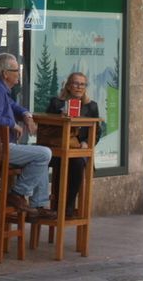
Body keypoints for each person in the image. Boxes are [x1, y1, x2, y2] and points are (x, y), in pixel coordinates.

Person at [0, 53, 55, 219]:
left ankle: (38, 205)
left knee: (41, 159)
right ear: (5, 74)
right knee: (44, 154)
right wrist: (13, 124)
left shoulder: (0, 89)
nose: (19, 73)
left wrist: (27, 117)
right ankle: (17, 194)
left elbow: (15, 107)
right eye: (16, 69)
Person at [46, 71, 100, 216]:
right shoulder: (56, 103)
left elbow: (96, 132)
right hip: (59, 147)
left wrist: (85, 142)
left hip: (79, 150)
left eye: (82, 84)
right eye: (76, 83)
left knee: (76, 162)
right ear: (69, 86)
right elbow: (47, 127)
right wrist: (59, 117)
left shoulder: (91, 106)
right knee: (58, 163)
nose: (79, 87)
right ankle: (52, 205)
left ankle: (68, 206)